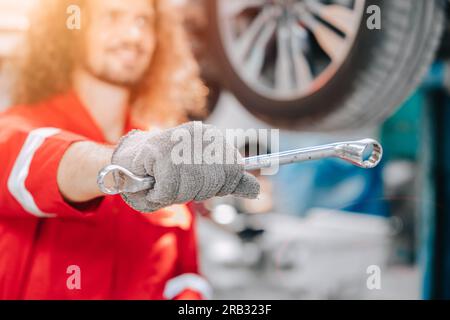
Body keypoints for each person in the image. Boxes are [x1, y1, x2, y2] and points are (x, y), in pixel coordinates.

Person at [0, 0, 259, 299]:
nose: (133, 36)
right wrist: (125, 163)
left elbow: (184, 274)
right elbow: (37, 163)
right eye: (112, 16)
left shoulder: (163, 151)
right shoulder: (16, 130)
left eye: (143, 21)